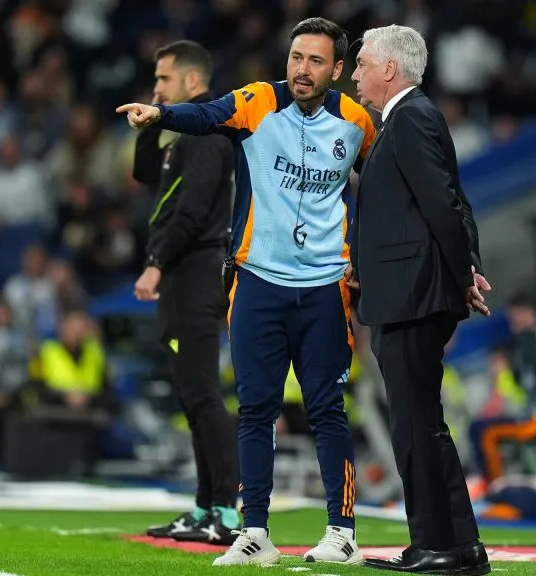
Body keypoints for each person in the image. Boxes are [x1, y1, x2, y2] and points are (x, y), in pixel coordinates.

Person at [117, 17, 376, 567]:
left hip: (326, 287)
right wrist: (160, 113)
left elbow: (382, 186)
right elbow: (206, 115)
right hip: (257, 283)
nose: (301, 70)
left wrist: (365, 255)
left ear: (337, 69)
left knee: (328, 409)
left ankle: (342, 531)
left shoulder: (357, 123)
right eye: (296, 57)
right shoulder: (257, 102)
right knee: (255, 409)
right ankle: (253, 530)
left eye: (314, 61)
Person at [349, 24, 491, 576]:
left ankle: (434, 544)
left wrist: (463, 278)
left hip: (411, 297)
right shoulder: (410, 120)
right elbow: (455, 201)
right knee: (425, 423)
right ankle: (459, 544)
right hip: (412, 294)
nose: (355, 73)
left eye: (361, 63)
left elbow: (442, 204)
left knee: (413, 426)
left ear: (389, 69)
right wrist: (467, 271)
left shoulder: (410, 118)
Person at [130, 40, 241, 546]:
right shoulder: (181, 135)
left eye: (163, 81)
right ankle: (204, 507)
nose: (156, 89)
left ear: (193, 82)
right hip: (181, 274)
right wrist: (149, 125)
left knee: (202, 393)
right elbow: (146, 175)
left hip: (195, 272)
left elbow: (192, 210)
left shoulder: (210, 134)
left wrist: (155, 264)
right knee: (191, 396)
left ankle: (229, 511)